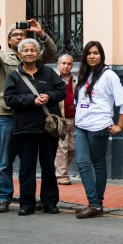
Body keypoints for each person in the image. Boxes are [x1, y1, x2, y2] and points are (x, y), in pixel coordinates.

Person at [0, 17, 57, 212]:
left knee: (30, 161)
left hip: (32, 118)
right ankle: (3, 197)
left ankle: (31, 197)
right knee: (5, 160)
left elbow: (51, 51)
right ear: (9, 41)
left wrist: (41, 32)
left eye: (22, 35)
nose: (19, 38)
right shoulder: (3, 58)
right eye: (14, 36)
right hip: (8, 115)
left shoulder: (33, 55)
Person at [3, 38, 65, 215]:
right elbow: (9, 99)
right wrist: (32, 100)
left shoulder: (48, 73)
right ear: (20, 54)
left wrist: (48, 96)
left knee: (48, 166)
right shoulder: (14, 75)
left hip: (48, 129)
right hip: (25, 128)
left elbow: (61, 90)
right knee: (27, 168)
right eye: (26, 50)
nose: (29, 53)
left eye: (33, 50)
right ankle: (27, 204)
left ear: (38, 53)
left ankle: (50, 202)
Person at [74, 41, 123, 219]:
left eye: (96, 53)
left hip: (99, 126)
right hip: (81, 125)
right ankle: (94, 203)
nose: (92, 56)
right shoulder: (82, 75)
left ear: (101, 55)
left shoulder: (109, 75)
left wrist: (119, 125)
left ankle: (95, 204)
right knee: (82, 164)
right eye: (89, 53)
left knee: (98, 164)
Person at [54, 53, 76, 185]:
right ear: (58, 65)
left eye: (69, 64)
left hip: (75, 119)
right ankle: (61, 175)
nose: (66, 66)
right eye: (63, 63)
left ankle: (56, 169)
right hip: (60, 119)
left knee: (73, 149)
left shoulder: (76, 80)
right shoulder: (54, 79)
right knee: (62, 148)